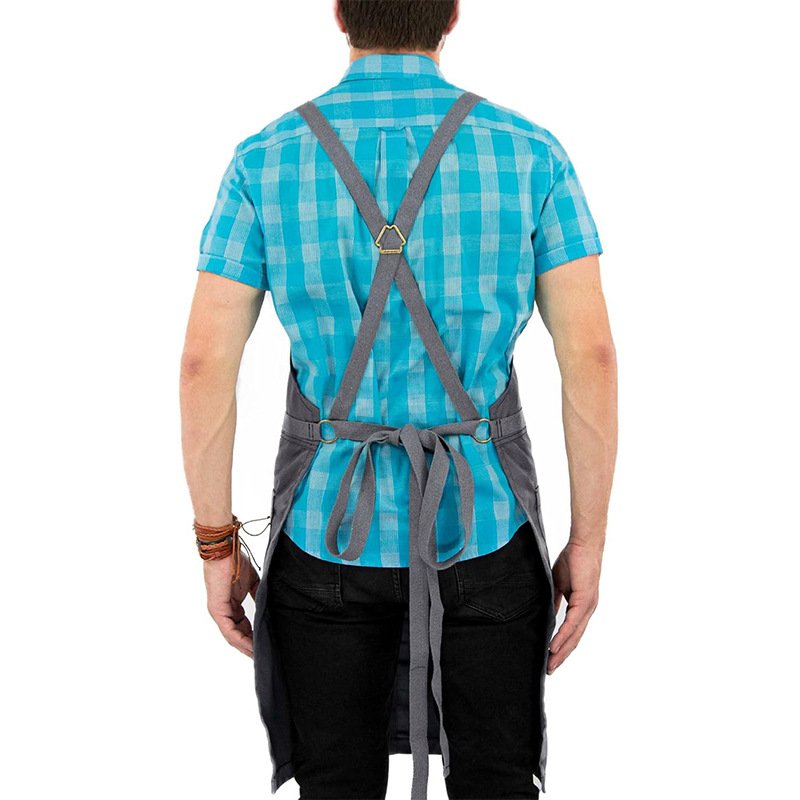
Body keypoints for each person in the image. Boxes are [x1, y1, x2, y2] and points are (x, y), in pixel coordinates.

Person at [179, 1, 617, 798]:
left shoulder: (265, 159)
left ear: (340, 13)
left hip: (325, 534)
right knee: (496, 782)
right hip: (485, 530)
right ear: (451, 14)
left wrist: (217, 547)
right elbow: (589, 355)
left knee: (335, 784)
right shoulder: (530, 154)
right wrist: (586, 542)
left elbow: (205, 363)